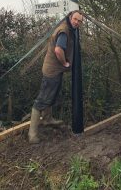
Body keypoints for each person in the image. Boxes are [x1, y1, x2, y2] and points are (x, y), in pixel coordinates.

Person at [28, 10, 83, 144]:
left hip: (54, 70)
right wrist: (64, 63)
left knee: (52, 95)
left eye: (80, 21)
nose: (77, 22)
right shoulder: (64, 30)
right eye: (75, 19)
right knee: (43, 99)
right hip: (52, 70)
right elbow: (58, 50)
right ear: (70, 17)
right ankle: (32, 134)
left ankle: (47, 119)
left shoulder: (68, 27)